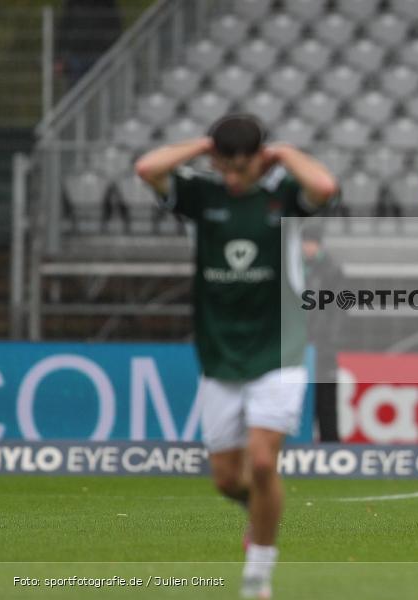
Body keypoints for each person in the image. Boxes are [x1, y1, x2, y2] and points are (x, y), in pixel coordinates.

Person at [135, 113, 338, 598]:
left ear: (258, 160)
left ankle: (258, 574)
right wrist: (204, 146)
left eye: (239, 167)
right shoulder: (203, 196)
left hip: (278, 349)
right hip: (220, 352)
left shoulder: (284, 196)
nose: (230, 175)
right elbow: (147, 168)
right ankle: (261, 512)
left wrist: (282, 153)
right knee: (228, 480)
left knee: (264, 462)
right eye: (222, 165)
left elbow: (325, 185)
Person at [301, 223, 343, 442]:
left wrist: (329, 339)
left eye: (311, 243)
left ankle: (331, 445)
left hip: (322, 345)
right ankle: (298, 443)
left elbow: (337, 309)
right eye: (305, 243)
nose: (308, 248)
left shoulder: (331, 269)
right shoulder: (294, 267)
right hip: (298, 344)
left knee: (326, 397)